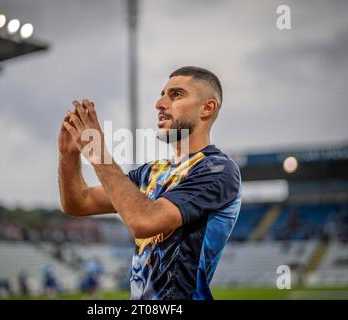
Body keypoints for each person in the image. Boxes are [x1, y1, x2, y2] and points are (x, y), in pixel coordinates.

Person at [58, 66, 242, 300]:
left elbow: (144, 221)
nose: (159, 103)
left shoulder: (217, 169)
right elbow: (78, 203)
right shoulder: (151, 172)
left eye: (175, 95)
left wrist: (98, 154)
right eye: (162, 94)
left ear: (207, 108)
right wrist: (68, 156)